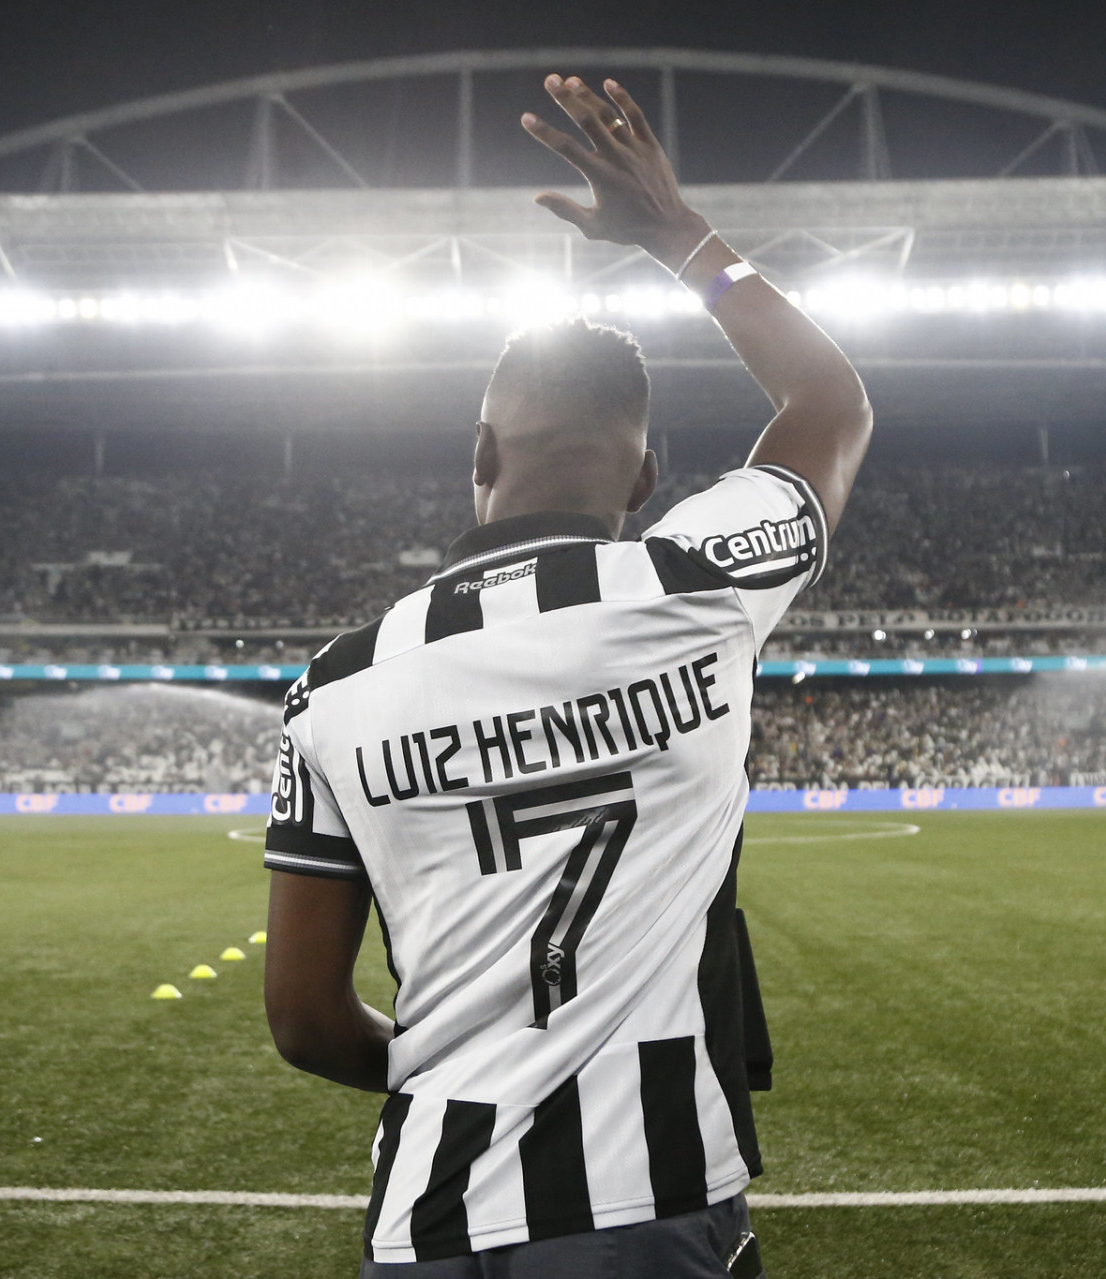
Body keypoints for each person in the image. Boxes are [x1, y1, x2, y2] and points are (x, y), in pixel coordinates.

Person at [262, 73, 872, 1277]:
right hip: (654, 1212)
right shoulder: (698, 585)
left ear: (479, 452)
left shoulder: (333, 687)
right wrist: (676, 236)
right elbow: (830, 402)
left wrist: (460, 1076)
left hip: (429, 1221)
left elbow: (302, 1016)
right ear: (646, 485)